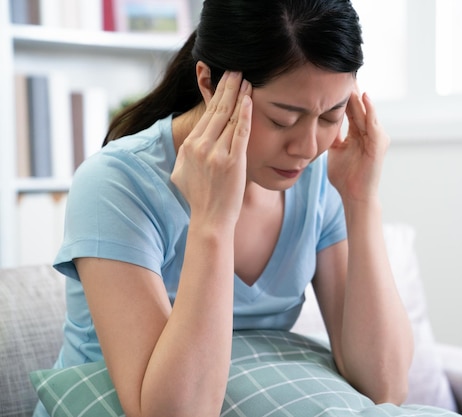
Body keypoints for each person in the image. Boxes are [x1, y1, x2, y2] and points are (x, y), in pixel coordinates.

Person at [33, 1, 416, 417]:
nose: (307, 148)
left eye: (330, 116)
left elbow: (385, 385)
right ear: (210, 83)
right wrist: (212, 222)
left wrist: (361, 200)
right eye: (283, 119)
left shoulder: (319, 182)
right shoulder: (116, 184)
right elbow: (177, 413)